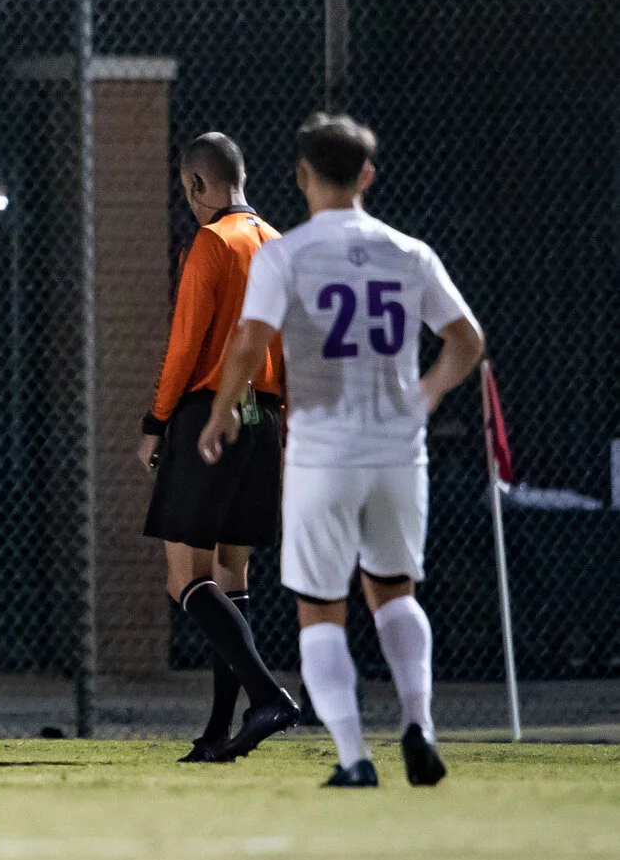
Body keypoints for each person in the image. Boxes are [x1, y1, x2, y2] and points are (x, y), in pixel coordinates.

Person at [203, 114, 483, 789]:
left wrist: (220, 414)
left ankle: (356, 757)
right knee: (394, 591)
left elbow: (248, 342)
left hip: (323, 451)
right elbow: (466, 337)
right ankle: (419, 721)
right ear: (367, 175)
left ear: (301, 176)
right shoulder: (408, 252)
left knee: (321, 607)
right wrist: (427, 392)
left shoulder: (286, 254)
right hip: (396, 448)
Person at [139, 133, 301, 762]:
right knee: (231, 578)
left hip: (211, 414)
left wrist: (155, 420)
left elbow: (186, 347)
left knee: (185, 580)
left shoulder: (211, 242)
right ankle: (217, 734)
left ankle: (267, 697)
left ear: (196, 186)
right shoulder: (280, 243)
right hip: (265, 421)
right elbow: (286, 347)